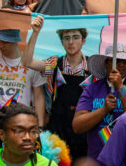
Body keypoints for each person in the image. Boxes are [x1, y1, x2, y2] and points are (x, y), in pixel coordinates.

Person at [22, 15, 91, 159]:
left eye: (75, 37)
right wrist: (35, 32)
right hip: (57, 128)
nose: (71, 42)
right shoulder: (54, 63)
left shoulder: (93, 67)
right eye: (66, 38)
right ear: (62, 42)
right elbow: (27, 61)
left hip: (84, 128)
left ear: (83, 40)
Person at [73, 43, 126, 159]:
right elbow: (77, 126)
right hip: (97, 158)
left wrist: (120, 87)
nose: (121, 65)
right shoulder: (92, 88)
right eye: (117, 61)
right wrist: (103, 110)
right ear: (106, 63)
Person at [0, 29, 46, 127]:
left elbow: (38, 96)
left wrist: (40, 126)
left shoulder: (31, 63)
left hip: (22, 120)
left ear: (15, 41)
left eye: (5, 42)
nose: (1, 45)